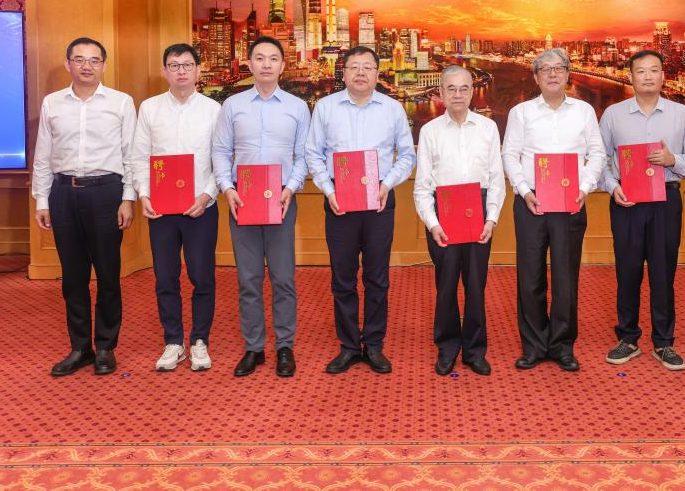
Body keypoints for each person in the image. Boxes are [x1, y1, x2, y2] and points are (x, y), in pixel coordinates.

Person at [306, 46, 416, 375]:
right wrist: (329, 191)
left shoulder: (393, 109)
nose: (361, 73)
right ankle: (349, 346)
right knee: (342, 278)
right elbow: (313, 154)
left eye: (367, 67)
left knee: (377, 277)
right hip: (339, 201)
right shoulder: (325, 107)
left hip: (379, 199)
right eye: (354, 67)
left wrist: (387, 184)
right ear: (343, 73)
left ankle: (375, 344)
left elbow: (407, 155)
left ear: (377, 74)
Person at [33, 37, 136, 377]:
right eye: (79, 59)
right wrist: (42, 199)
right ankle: (80, 347)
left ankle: (106, 346)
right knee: (73, 277)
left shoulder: (121, 103)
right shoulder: (52, 103)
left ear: (104, 65)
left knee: (108, 275)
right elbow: (43, 155)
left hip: (106, 193)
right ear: (68, 64)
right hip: (63, 193)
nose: (87, 66)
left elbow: (131, 155)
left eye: (94, 60)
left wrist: (128, 198)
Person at [212, 36, 310, 378]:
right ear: (249, 63)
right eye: (259, 58)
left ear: (283, 65)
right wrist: (227, 188)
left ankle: (285, 346)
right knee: (249, 279)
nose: (266, 64)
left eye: (273, 59)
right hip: (243, 199)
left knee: (283, 278)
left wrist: (291, 187)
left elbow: (304, 155)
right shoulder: (232, 105)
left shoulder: (297, 107)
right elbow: (221, 151)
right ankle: (253, 347)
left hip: (282, 200)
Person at [502, 48, 605, 372]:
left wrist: (584, 188)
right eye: (545, 69)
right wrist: (524, 190)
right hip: (531, 202)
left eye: (559, 68)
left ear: (568, 74)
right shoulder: (521, 112)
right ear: (535, 77)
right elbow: (510, 155)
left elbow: (598, 154)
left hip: (570, 204)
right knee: (530, 277)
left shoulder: (584, 111)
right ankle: (533, 346)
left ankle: (562, 346)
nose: (552, 74)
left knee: (565, 278)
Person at [600, 50, 685, 371]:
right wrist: (611, 186)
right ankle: (628, 337)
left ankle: (663, 341)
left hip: (666, 201)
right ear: (630, 76)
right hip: (626, 201)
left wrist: (673, 160)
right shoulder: (613, 114)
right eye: (641, 71)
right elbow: (600, 159)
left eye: (654, 70)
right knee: (627, 272)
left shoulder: (681, 114)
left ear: (662, 76)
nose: (647, 76)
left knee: (663, 273)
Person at [132, 43, 221, 372]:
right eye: (174, 65)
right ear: (165, 71)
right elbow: (140, 156)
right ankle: (173, 341)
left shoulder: (214, 110)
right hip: (161, 209)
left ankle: (199, 340)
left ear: (198, 70)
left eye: (187, 65)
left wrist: (207, 195)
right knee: (165, 277)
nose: (181, 70)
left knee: (202, 276)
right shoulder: (150, 108)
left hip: (201, 207)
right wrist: (144, 194)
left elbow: (222, 158)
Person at [414, 65, 505, 376]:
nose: (457, 94)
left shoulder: (487, 128)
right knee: (446, 286)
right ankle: (447, 347)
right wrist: (432, 223)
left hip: (479, 213)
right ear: (441, 92)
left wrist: (492, 218)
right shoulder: (430, 131)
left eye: (464, 88)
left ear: (472, 91)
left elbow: (497, 179)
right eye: (451, 88)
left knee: (476, 286)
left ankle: (475, 350)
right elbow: (422, 186)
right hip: (443, 215)